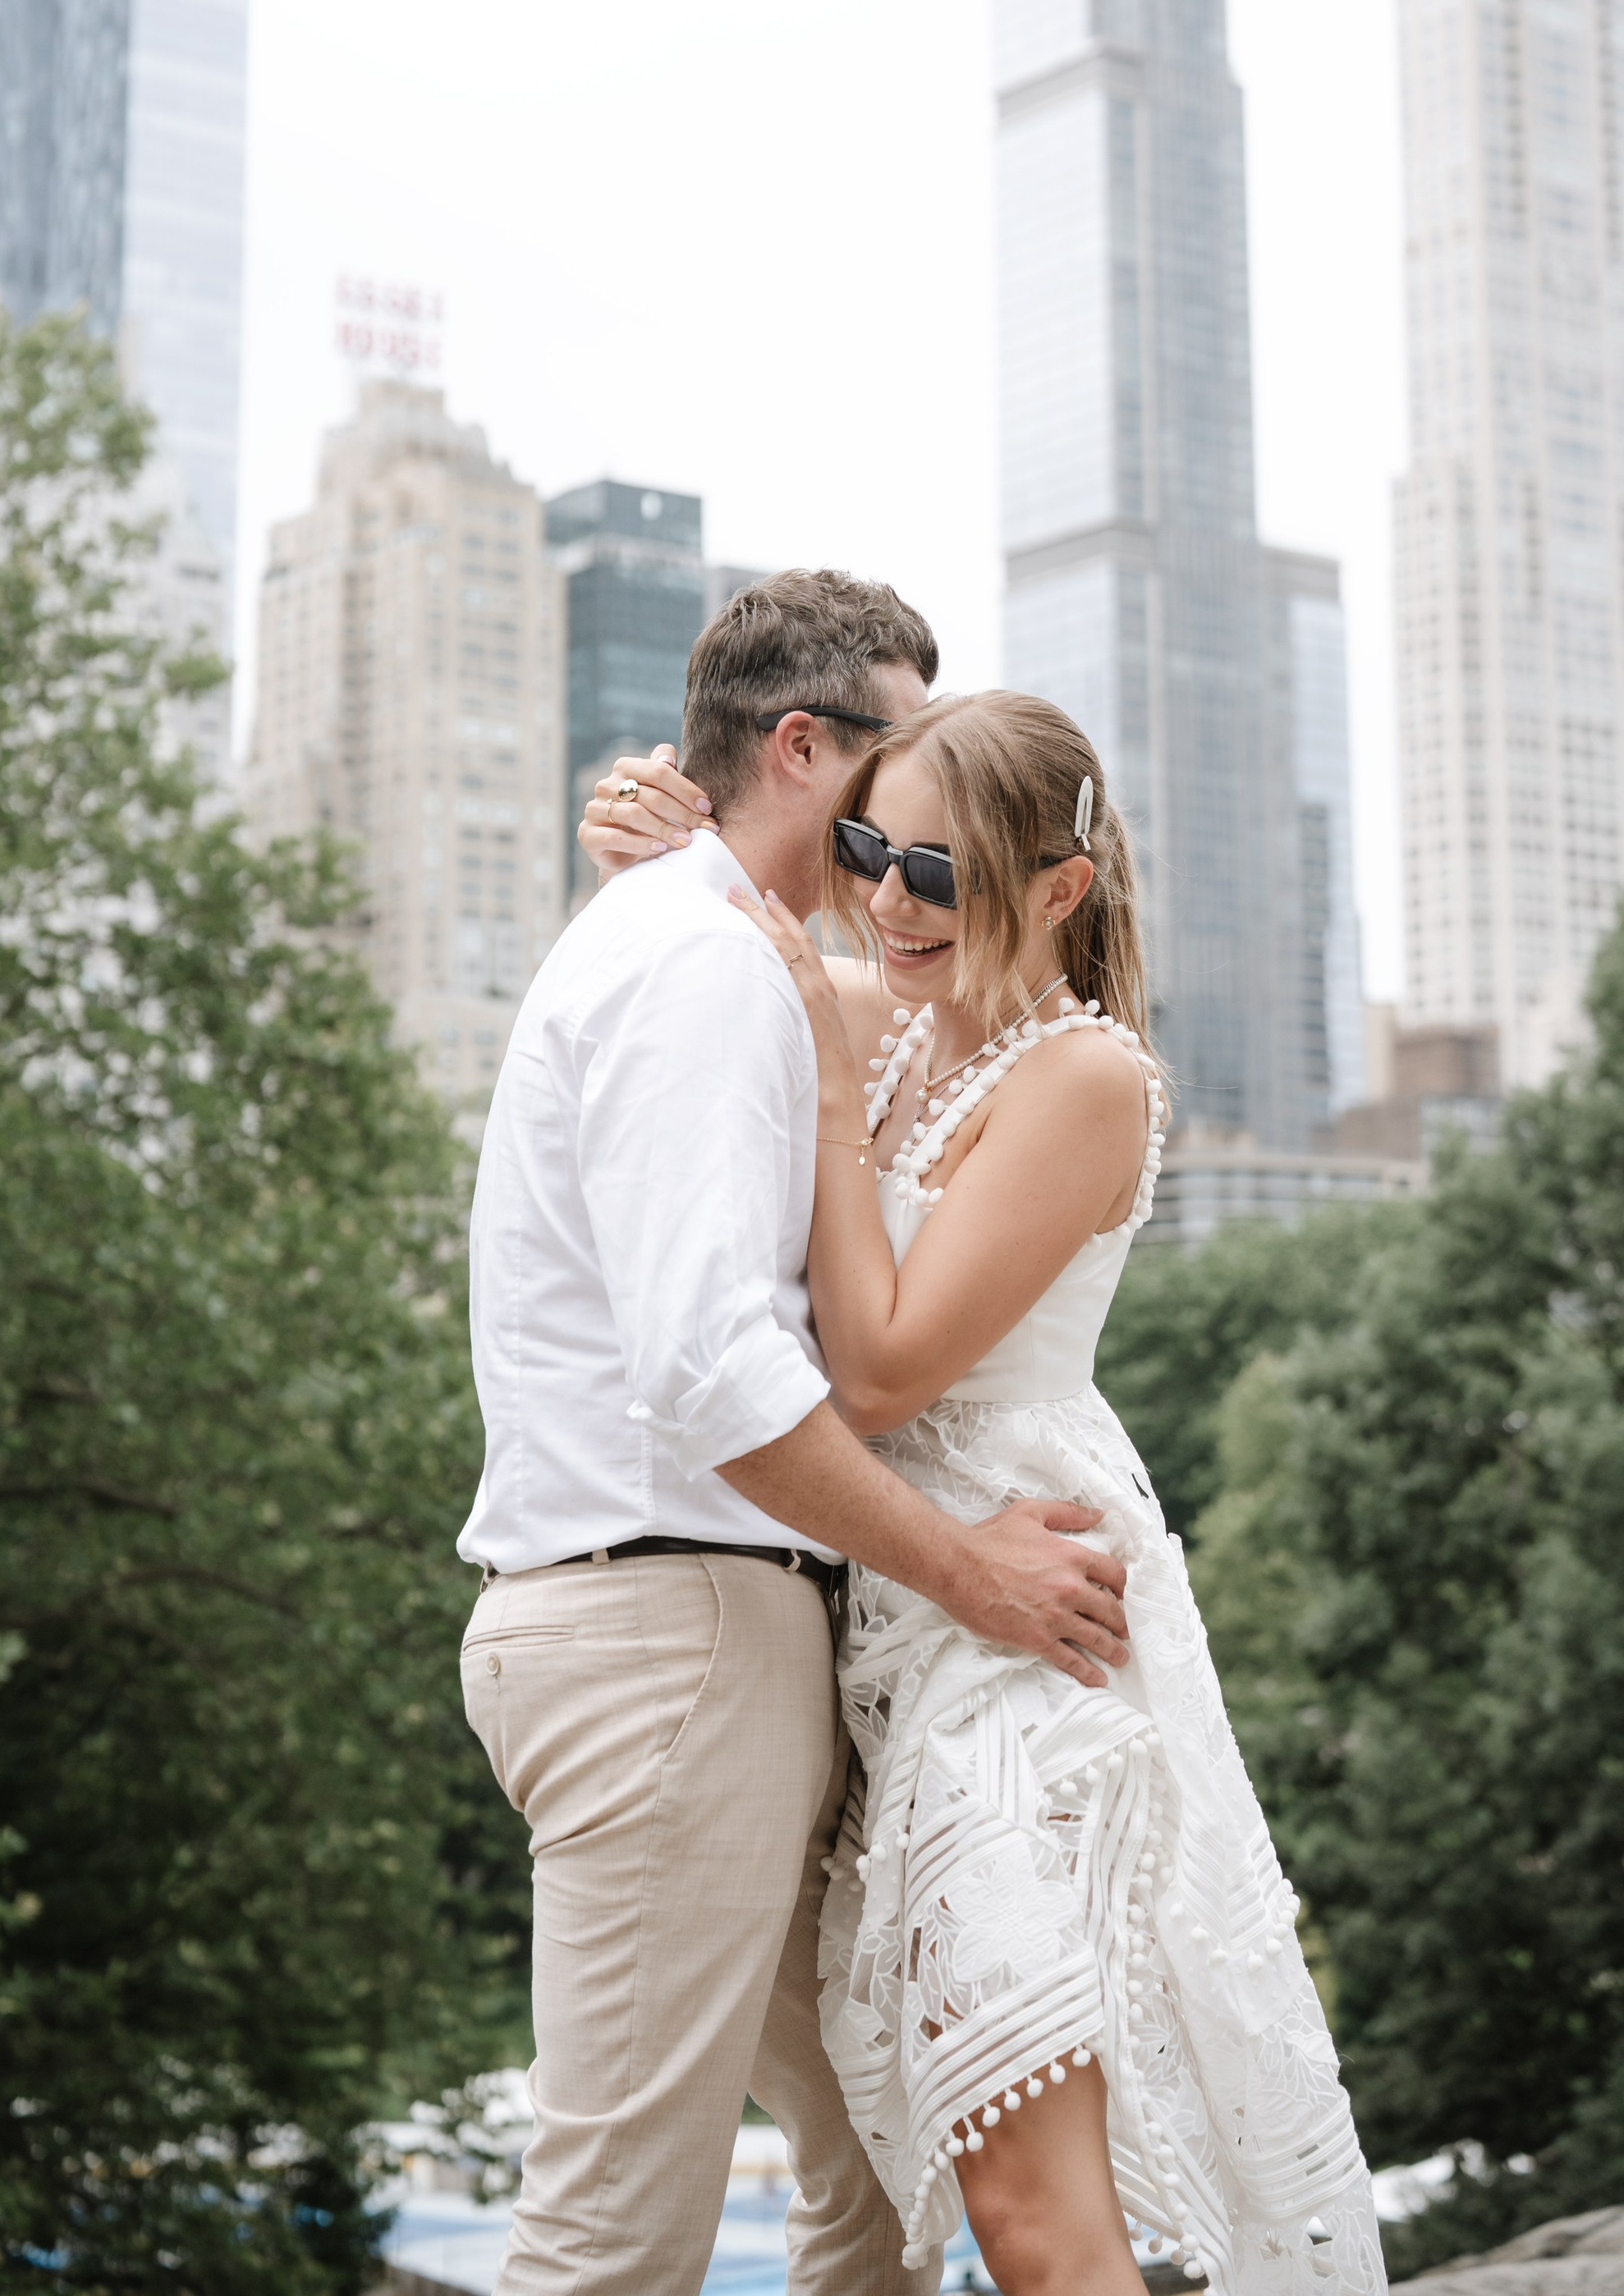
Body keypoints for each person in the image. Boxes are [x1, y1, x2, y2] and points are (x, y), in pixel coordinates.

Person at [585, 690, 1384, 2296]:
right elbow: (715, 956)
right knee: (983, 2204)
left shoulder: (1083, 1075)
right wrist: (635, 836)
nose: (889, 900)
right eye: (868, 851)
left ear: (1059, 889)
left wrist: (828, 1105)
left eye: (938, 873)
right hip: (890, 1624)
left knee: (1033, 2217)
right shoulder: (888, 1015)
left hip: (1023, 1634)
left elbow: (880, 1373)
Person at [456, 575, 1133, 2296]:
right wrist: (965, 1571)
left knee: (876, 2168)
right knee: (615, 2235)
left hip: (748, 1631)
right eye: (889, 775)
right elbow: (710, 1374)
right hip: (673, 1628)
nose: (905, 833)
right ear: (803, 749)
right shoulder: (701, 963)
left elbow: (971, 1018)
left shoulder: (753, 953)